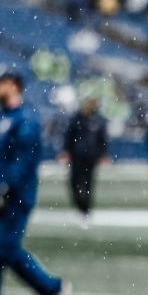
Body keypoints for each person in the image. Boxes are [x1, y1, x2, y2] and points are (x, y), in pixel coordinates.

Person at [0, 65, 72, 295]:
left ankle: (52, 288)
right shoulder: (3, 118)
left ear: (13, 84)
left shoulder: (25, 119)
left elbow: (23, 161)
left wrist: (7, 189)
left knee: (5, 249)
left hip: (13, 198)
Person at [60, 97, 109, 228]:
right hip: (77, 156)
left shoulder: (97, 121)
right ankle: (80, 207)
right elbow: (69, 135)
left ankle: (85, 209)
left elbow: (102, 139)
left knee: (87, 184)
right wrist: (66, 151)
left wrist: (102, 154)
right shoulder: (77, 119)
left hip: (90, 157)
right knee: (75, 183)